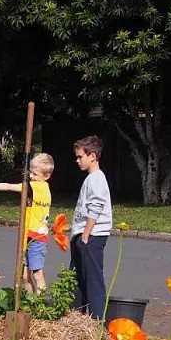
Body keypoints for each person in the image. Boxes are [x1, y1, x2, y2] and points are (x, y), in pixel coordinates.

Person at [0, 152, 55, 292]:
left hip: (37, 237)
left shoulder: (38, 187)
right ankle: (30, 301)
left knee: (37, 273)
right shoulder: (37, 186)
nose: (31, 177)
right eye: (31, 173)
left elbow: (9, 186)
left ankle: (40, 306)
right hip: (28, 234)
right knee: (25, 275)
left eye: (35, 174)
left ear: (47, 176)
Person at [69, 136, 112, 320]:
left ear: (92, 156)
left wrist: (86, 233)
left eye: (80, 157)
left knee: (93, 279)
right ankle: (77, 317)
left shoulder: (97, 178)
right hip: (82, 235)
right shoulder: (90, 178)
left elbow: (96, 205)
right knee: (78, 278)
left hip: (91, 236)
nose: (77, 160)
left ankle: (96, 320)